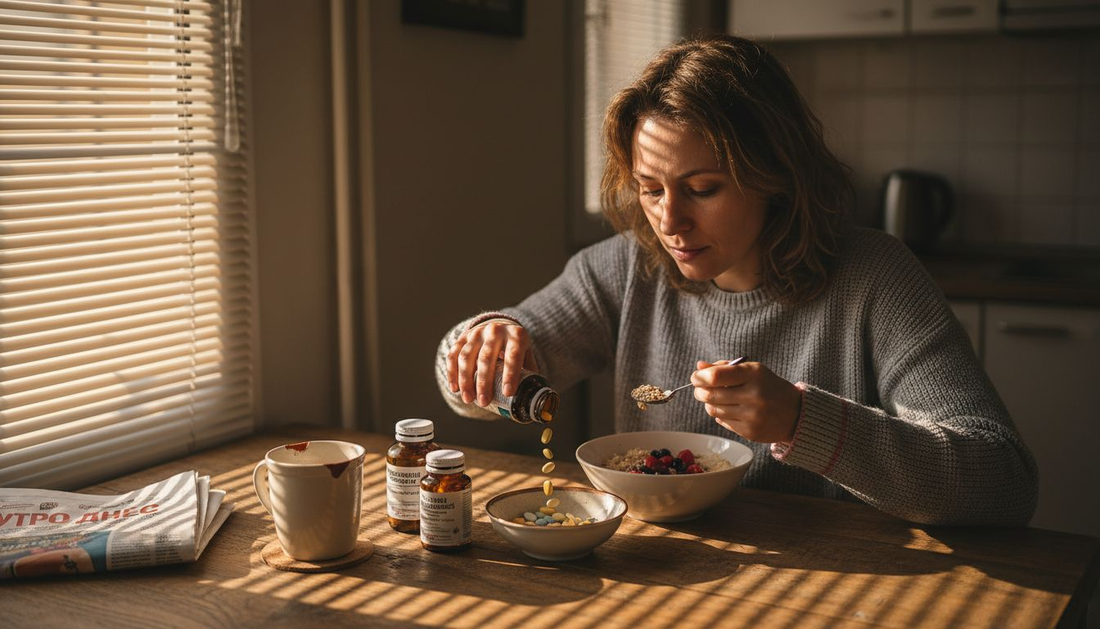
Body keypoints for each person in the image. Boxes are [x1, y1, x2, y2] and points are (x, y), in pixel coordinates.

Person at [435, 34, 1037, 526]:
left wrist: (802, 421)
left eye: (703, 189)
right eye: (650, 190)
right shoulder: (625, 267)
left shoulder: (875, 278)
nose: (670, 221)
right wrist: (484, 339)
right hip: (664, 573)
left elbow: (1002, 483)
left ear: (774, 174)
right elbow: (475, 397)